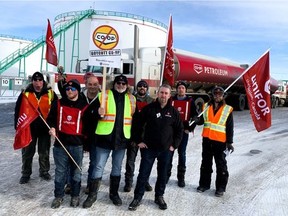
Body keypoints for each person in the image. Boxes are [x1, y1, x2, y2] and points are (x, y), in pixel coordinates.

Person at [82, 74, 136, 208]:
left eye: (123, 84)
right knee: (98, 166)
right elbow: (88, 114)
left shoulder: (131, 99)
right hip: (104, 138)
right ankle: (92, 195)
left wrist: (134, 138)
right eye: (118, 83)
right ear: (114, 84)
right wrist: (97, 112)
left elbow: (135, 120)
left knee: (117, 168)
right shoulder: (104, 96)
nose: (121, 85)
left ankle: (114, 194)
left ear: (127, 85)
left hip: (122, 140)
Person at [128, 84, 183, 211]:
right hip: (149, 149)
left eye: (166, 93)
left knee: (162, 175)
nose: (163, 95)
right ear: (157, 93)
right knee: (143, 174)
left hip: (165, 150)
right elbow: (137, 124)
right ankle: (137, 197)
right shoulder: (149, 109)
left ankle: (159, 196)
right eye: (161, 93)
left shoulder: (173, 112)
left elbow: (179, 130)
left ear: (169, 95)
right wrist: (138, 141)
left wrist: (174, 145)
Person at [47, 79, 89, 208]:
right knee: (60, 171)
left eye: (72, 89)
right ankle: (58, 196)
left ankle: (75, 195)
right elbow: (50, 119)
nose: (69, 91)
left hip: (77, 145)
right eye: (67, 89)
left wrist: (86, 144)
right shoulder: (58, 103)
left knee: (76, 171)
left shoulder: (84, 106)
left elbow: (88, 126)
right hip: (60, 144)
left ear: (78, 90)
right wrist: (52, 128)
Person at [14, 71, 58, 184]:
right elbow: (18, 110)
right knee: (27, 152)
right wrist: (17, 127)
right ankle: (25, 173)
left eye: (40, 80)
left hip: (45, 128)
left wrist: (53, 126)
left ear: (43, 82)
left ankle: (44, 171)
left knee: (44, 152)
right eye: (35, 80)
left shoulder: (51, 94)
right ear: (32, 81)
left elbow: (55, 112)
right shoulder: (25, 93)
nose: (38, 83)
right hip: (29, 129)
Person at [196, 86, 234, 197]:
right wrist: (196, 120)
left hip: (220, 142)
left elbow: (230, 127)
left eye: (220, 94)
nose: (217, 96)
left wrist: (229, 142)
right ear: (212, 95)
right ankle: (204, 185)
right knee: (205, 164)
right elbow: (202, 121)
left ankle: (220, 188)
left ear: (223, 96)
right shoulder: (206, 106)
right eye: (215, 94)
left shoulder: (227, 109)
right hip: (207, 140)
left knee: (221, 165)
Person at [124, 80, 154, 192]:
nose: (142, 88)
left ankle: (144, 181)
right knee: (130, 161)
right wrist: (132, 137)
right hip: (133, 135)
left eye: (144, 86)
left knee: (146, 161)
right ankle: (128, 182)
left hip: (146, 137)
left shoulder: (151, 101)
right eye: (140, 86)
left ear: (147, 88)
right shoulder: (131, 99)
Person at [167, 81, 198, 187]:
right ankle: (166, 175)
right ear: (177, 89)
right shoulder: (171, 100)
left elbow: (195, 117)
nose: (181, 89)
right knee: (169, 153)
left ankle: (181, 177)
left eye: (182, 88)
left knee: (182, 154)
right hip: (171, 132)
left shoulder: (190, 101)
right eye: (179, 88)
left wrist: (190, 129)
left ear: (185, 90)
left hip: (183, 132)